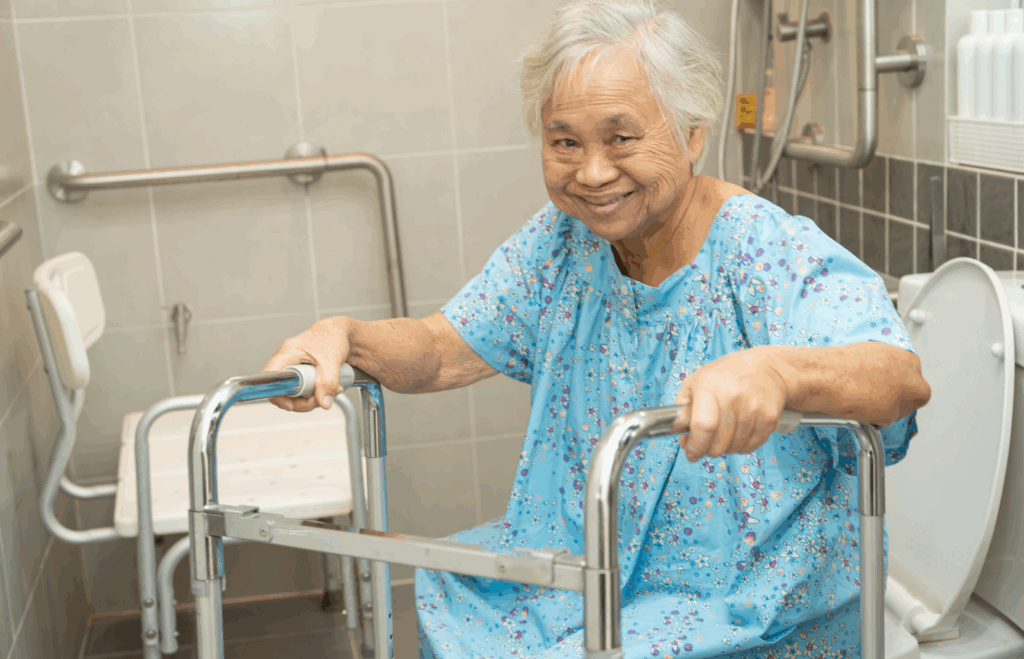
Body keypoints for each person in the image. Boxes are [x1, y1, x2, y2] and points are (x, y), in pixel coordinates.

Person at [264, 1, 931, 656]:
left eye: (621, 138)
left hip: (744, 592)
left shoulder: (763, 249)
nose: (591, 172)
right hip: (587, 564)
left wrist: (777, 372)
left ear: (691, 133)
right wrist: (346, 336)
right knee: (456, 590)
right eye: (564, 142)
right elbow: (442, 351)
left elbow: (898, 376)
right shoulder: (562, 242)